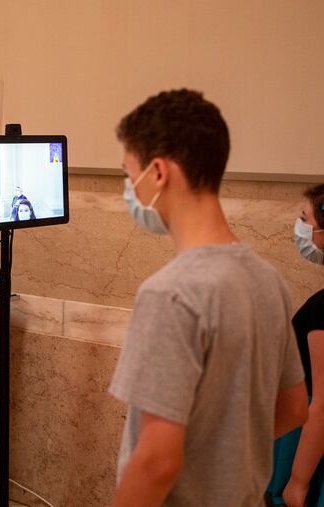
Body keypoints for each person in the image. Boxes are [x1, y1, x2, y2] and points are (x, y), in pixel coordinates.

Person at [108, 89, 308, 507]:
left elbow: (156, 463)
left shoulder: (170, 294)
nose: (130, 190)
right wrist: (223, 453)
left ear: (158, 172)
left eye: (130, 175)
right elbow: (294, 407)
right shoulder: (268, 280)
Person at [267, 184, 324, 507]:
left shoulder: (322, 309)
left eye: (305, 219)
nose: (299, 227)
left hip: (306, 446)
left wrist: (298, 483)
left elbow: (323, 404)